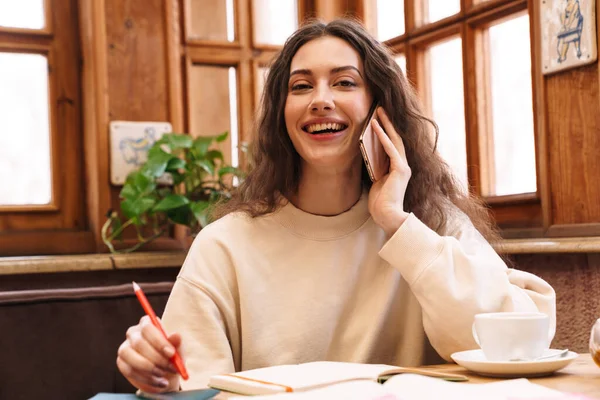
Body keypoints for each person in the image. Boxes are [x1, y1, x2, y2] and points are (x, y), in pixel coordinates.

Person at [116, 18, 556, 393]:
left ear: (381, 110)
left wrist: (398, 225)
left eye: (344, 82)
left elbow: (514, 342)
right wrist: (159, 375)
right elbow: (193, 383)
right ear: (282, 114)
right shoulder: (224, 245)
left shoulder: (432, 225)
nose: (319, 99)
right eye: (301, 86)